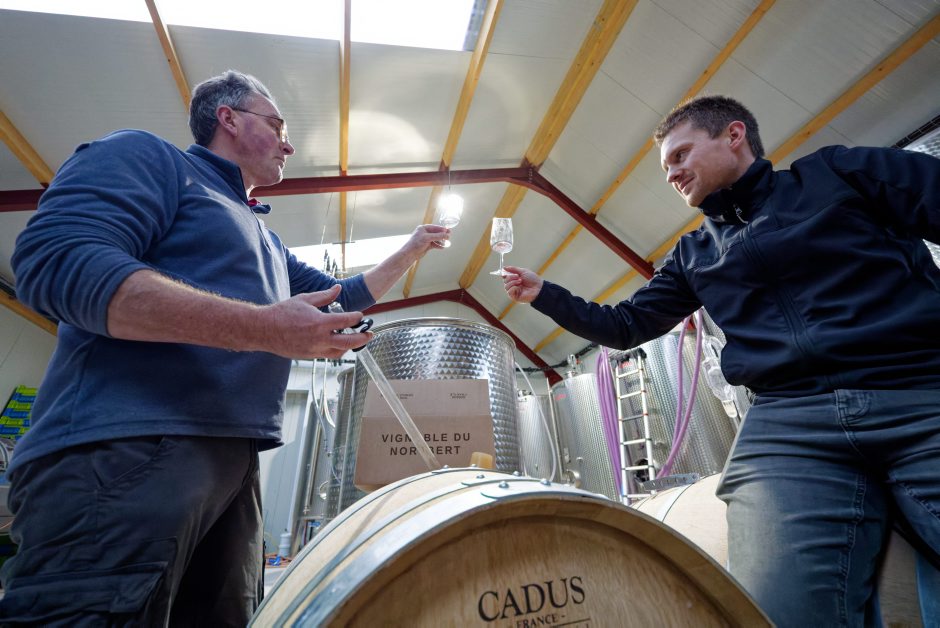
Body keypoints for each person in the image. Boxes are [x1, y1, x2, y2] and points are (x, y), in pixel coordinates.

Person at [0, 70, 448, 626]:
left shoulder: (266, 239)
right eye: (277, 124)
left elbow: (343, 297)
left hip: (234, 463)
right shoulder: (153, 160)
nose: (288, 143)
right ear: (228, 118)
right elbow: (58, 260)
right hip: (124, 450)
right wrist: (264, 328)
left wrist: (413, 248)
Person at [503, 95, 940, 626]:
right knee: (777, 611)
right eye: (666, 167)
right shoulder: (694, 254)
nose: (672, 174)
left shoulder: (838, 173)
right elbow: (625, 325)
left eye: (680, 155)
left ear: (734, 136)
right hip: (790, 423)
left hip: (919, 389)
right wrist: (544, 293)